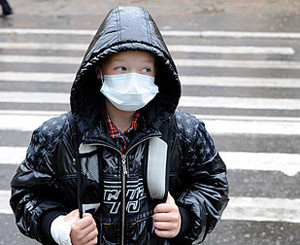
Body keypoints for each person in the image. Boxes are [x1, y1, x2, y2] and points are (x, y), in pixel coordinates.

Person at [10, 6, 229, 245]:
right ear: (98, 70)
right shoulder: (57, 136)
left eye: (145, 69)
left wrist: (185, 217)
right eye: (121, 68)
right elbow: (27, 195)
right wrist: (60, 229)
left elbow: (212, 183)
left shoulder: (185, 132)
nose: (134, 78)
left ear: (158, 73)